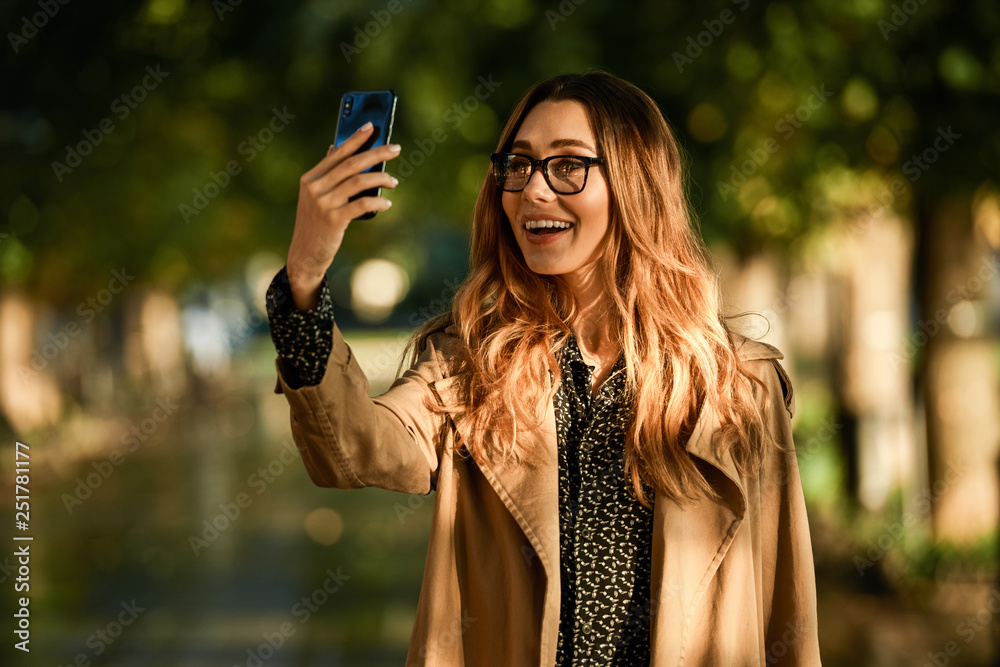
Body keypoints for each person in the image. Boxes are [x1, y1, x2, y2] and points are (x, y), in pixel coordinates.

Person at [266, 71, 821, 666]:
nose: (532, 191)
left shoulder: (737, 386)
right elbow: (352, 451)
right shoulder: (470, 364)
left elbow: (786, 616)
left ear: (637, 184)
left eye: (567, 166)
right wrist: (305, 275)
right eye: (520, 165)